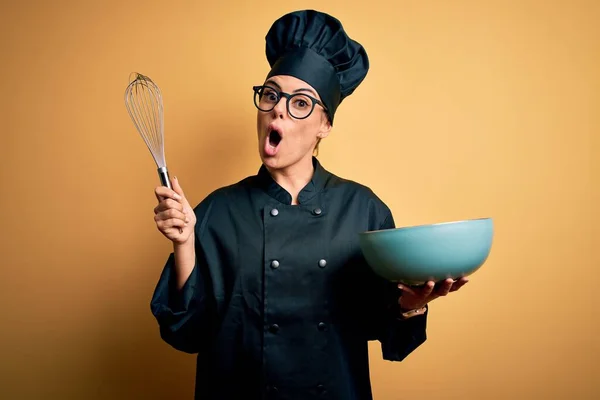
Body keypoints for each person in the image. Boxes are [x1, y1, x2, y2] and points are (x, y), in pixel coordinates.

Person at [150, 9, 468, 400]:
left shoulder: (363, 210)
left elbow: (389, 333)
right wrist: (184, 243)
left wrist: (413, 305)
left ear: (325, 125)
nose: (278, 109)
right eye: (270, 95)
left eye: (300, 102)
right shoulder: (218, 211)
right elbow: (188, 332)